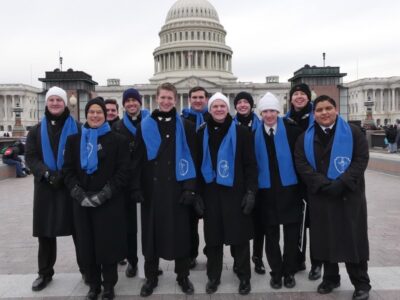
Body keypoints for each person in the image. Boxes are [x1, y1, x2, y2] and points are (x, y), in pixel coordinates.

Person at [295, 95, 371, 300]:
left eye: (328, 108)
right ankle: (330, 278)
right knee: (325, 240)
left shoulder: (354, 133)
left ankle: (361, 282)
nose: (324, 113)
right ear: (314, 114)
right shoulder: (305, 138)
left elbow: (361, 159)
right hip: (322, 196)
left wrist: (342, 183)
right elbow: (301, 164)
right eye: (319, 110)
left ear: (335, 110)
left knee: (352, 241)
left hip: (348, 196)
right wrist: (323, 184)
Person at [132, 83, 200, 297]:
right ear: (157, 98)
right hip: (153, 191)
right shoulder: (144, 126)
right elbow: (136, 161)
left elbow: (193, 159)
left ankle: (183, 276)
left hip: (178, 189)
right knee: (151, 238)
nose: (166, 101)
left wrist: (190, 188)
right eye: (163, 97)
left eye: (170, 98)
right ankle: (151, 277)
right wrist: (136, 188)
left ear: (175, 99)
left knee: (181, 236)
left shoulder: (186, 126)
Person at [63, 97, 129, 300]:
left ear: (105, 115)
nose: (95, 115)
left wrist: (104, 193)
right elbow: (68, 170)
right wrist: (78, 193)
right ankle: (93, 284)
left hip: (108, 201)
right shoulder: (74, 141)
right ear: (86, 115)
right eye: (91, 112)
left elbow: (123, 171)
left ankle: (109, 285)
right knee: (86, 244)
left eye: (99, 112)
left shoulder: (118, 140)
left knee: (107, 244)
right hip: (82, 202)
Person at [197, 92, 257, 295]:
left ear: (227, 108)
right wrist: (197, 194)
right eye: (215, 106)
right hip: (211, 192)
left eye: (223, 106)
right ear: (210, 109)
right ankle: (213, 276)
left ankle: (244, 275)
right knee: (213, 240)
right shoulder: (201, 132)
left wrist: (251, 192)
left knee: (239, 238)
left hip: (235, 191)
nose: (219, 110)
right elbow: (197, 166)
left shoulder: (241, 133)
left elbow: (250, 165)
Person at [25, 86, 80, 291]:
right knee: (45, 234)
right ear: (47, 103)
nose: (55, 103)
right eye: (51, 100)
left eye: (59, 100)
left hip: (70, 187)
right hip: (46, 188)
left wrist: (65, 175)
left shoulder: (78, 128)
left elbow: (81, 157)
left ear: (65, 103)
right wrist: (47, 173)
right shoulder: (36, 131)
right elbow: (31, 157)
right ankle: (45, 273)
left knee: (79, 231)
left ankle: (87, 270)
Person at [254, 92, 303, 289]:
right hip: (266, 193)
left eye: (272, 111)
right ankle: (276, 272)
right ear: (261, 113)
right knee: (271, 237)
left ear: (278, 112)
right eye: (265, 111)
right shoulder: (253, 135)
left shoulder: (292, 131)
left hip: (290, 192)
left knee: (292, 237)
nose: (269, 115)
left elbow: (301, 160)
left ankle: (289, 271)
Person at [112, 88, 150, 277]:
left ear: (140, 103)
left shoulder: (151, 124)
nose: (131, 104)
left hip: (148, 182)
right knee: (130, 228)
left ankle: (151, 261)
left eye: (135, 100)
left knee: (150, 225)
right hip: (126, 184)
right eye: (128, 101)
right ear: (124, 104)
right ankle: (133, 261)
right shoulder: (117, 127)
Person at [286, 83, 322, 280]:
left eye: (303, 94)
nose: (299, 97)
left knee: (315, 223)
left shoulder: (317, 118)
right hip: (293, 179)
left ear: (309, 97)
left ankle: (317, 262)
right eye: (295, 94)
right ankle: (298, 259)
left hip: (313, 177)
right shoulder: (285, 120)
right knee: (298, 222)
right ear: (290, 98)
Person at [232, 91, 264, 275]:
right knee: (236, 223)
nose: (243, 105)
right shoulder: (229, 126)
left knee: (260, 224)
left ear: (251, 105)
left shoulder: (263, 124)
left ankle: (257, 258)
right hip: (238, 182)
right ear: (235, 105)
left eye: (246, 102)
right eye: (239, 102)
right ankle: (237, 260)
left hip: (260, 180)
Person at [181, 86, 209, 269]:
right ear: (189, 99)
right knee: (189, 222)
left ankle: (211, 254)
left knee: (212, 221)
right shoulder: (182, 121)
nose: (198, 100)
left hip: (210, 178)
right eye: (195, 97)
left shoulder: (215, 116)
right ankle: (191, 254)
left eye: (201, 97)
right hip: (190, 177)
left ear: (207, 99)